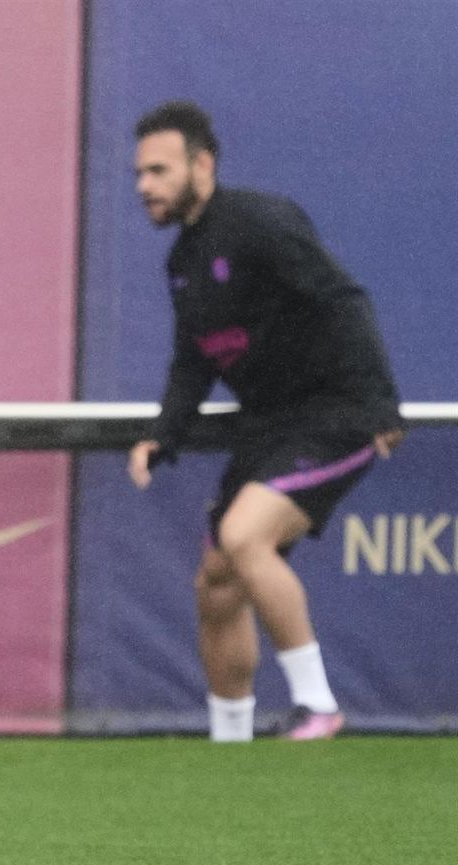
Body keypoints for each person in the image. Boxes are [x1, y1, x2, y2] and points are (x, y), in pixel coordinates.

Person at [127, 101, 403, 741]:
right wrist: (162, 436)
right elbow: (192, 362)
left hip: (336, 414)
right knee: (218, 581)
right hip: (268, 428)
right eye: (139, 174)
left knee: (244, 535)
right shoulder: (182, 264)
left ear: (202, 165)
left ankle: (318, 705)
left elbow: (343, 300)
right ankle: (231, 740)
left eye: (159, 171)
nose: (143, 186)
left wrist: (379, 403)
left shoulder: (261, 222)